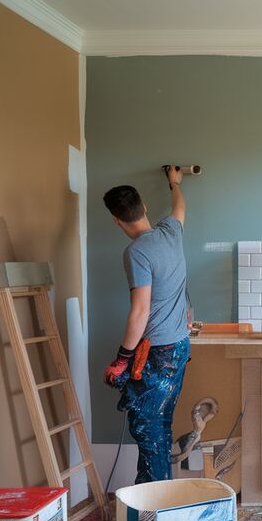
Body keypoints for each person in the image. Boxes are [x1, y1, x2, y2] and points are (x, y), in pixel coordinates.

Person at [102, 166, 191, 484]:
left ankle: (153, 514)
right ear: (144, 208)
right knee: (160, 426)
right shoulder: (171, 231)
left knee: (148, 430)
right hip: (180, 347)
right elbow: (179, 206)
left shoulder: (136, 252)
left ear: (116, 219)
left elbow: (140, 312)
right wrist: (174, 183)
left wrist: (122, 360)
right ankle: (158, 501)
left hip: (156, 353)